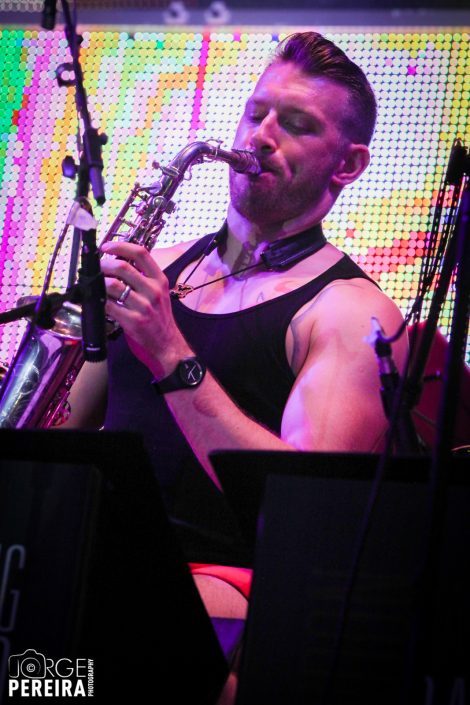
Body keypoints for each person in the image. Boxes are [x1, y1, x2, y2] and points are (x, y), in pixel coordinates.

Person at [65, 31, 407, 630]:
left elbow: (305, 511)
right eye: (256, 113)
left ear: (348, 164)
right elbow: (63, 433)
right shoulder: (154, 269)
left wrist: (170, 353)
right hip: (102, 559)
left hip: (225, 587)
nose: (260, 136)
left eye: (296, 125)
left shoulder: (352, 313)